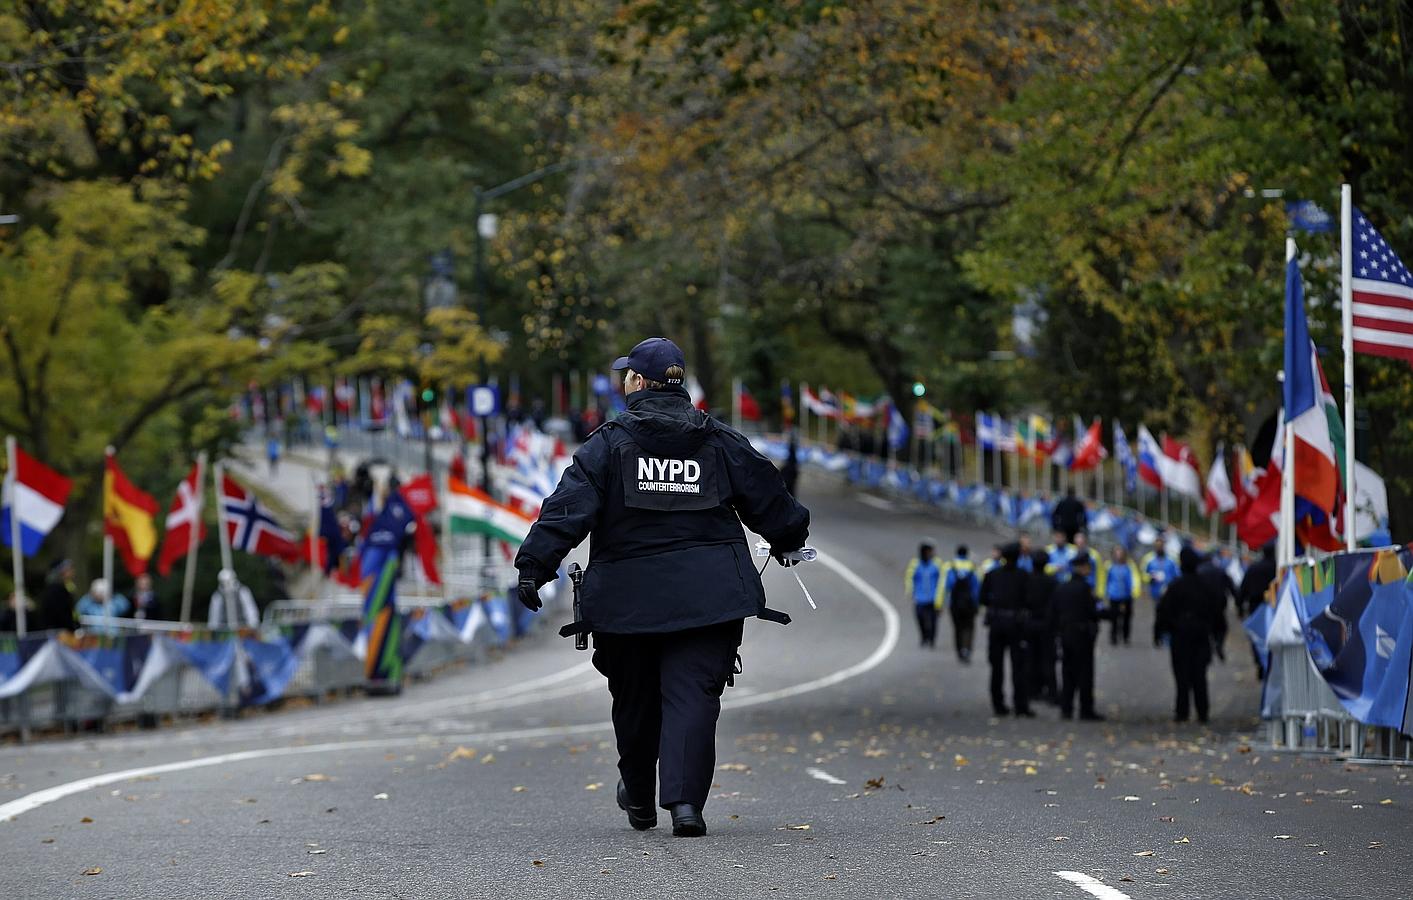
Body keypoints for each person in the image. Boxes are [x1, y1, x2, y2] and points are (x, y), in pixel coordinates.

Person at [512, 337, 809, 838]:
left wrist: (534, 566)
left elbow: (568, 508)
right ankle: (685, 805)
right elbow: (769, 497)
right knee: (693, 695)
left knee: (633, 697)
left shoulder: (607, 444)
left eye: (626, 374)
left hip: (627, 600)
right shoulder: (719, 441)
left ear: (637, 383)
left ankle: (640, 798)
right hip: (711, 597)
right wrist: (789, 539)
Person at [1154, 548, 1223, 724]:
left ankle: (1182, 711)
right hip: (1201, 636)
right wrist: (1217, 635)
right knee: (1199, 675)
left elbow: (1163, 611)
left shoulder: (1175, 586)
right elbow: (1217, 611)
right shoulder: (1206, 587)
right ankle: (1202, 711)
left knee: (1181, 676)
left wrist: (1160, 631)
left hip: (1180, 636)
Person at [980, 542, 1032, 717]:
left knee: (997, 667)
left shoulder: (992, 575)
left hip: (997, 623)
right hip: (1016, 624)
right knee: (1019, 666)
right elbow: (1029, 600)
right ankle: (1020, 705)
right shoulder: (1023, 576)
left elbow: (982, 598)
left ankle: (998, 703)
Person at [1052, 554, 1104, 721]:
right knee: (1085, 673)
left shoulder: (1062, 587)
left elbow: (1054, 611)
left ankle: (1066, 708)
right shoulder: (1085, 589)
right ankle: (1085, 709)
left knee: (1067, 671)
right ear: (1082, 567)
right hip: (1082, 635)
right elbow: (1092, 612)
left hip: (1066, 634)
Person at [1237, 543, 1277, 677]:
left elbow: (1243, 589)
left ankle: (1260, 661)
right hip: (1274, 606)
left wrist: (1240, 607)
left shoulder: (1254, 568)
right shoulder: (1278, 568)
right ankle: (1271, 663)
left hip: (1255, 606)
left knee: (1257, 636)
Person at [1025, 549, 1059, 704]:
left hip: (1030, 623)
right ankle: (1051, 691)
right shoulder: (1052, 582)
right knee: (1048, 659)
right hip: (1047, 624)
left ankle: (1033, 689)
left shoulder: (1027, 580)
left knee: (1031, 657)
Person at [1196, 547, 1237, 662]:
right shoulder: (1219, 570)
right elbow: (1231, 586)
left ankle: (1207, 650)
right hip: (1218, 606)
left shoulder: (1198, 571)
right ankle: (1218, 644)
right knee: (1221, 628)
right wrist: (1238, 602)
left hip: (1202, 606)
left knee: (1205, 629)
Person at [943, 545, 980, 663]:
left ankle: (959, 651)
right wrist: (977, 604)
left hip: (955, 604)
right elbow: (976, 587)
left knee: (957, 628)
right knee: (969, 628)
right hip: (969, 605)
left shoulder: (950, 566)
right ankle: (967, 649)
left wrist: (941, 603)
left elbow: (946, 586)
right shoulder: (972, 567)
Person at [905, 541, 944, 648]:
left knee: (933, 620)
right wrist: (910, 591)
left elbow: (942, 580)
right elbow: (909, 578)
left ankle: (932, 639)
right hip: (920, 597)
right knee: (920, 618)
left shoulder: (937, 563)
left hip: (934, 598)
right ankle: (924, 637)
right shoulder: (915, 563)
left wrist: (941, 597)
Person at [1099, 545, 1141, 645]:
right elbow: (1104, 579)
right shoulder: (1109, 566)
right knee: (1113, 617)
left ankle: (1126, 637)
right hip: (1114, 595)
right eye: (1116, 553)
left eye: (1120, 553)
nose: (1119, 555)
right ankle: (1113, 637)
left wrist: (1135, 591)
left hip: (1126, 596)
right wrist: (1103, 592)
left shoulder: (1129, 566)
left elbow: (1134, 579)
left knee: (1126, 617)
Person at [37, 559, 77, 632]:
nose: (73, 571)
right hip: (58, 632)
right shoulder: (56, 589)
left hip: (60, 631)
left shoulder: (66, 587)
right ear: (62, 572)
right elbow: (61, 613)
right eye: (69, 569)